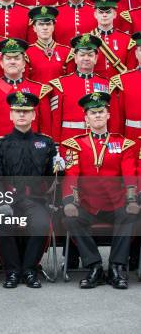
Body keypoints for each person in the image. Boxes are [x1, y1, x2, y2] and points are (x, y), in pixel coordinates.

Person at [61, 92, 138, 289]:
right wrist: (70, 201)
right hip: (88, 205)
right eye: (92, 113)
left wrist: (132, 201)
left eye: (101, 112)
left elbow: (130, 174)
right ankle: (94, 266)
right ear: (86, 118)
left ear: (108, 115)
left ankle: (116, 267)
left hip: (116, 203)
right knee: (70, 218)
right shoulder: (75, 144)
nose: (97, 116)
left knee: (130, 216)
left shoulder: (124, 144)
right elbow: (72, 175)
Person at [0, 91, 63, 289]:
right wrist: (0, 202)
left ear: (33, 115)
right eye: (17, 111)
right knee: (3, 223)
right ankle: (12, 271)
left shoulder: (46, 143)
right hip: (8, 200)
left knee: (40, 224)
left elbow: (52, 178)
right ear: (11, 115)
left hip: (36, 200)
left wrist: (59, 170)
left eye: (26, 111)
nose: (22, 115)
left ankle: (30, 270)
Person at [0, 38, 52, 141]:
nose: (12, 62)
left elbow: (46, 130)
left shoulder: (39, 90)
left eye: (16, 58)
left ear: (24, 63)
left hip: (32, 152)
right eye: (8, 58)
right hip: (0, 153)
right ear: (1, 63)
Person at [49, 33, 113, 143]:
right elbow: (55, 119)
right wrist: (57, 145)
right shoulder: (61, 84)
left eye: (90, 55)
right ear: (75, 58)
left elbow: (112, 118)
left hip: (100, 142)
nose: (86, 58)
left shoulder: (107, 84)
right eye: (82, 55)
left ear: (96, 58)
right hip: (70, 141)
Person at [89, 0, 135, 79]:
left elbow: (130, 72)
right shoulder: (88, 39)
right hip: (95, 88)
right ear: (95, 14)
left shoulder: (127, 40)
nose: (104, 15)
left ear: (115, 14)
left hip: (118, 88)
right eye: (101, 12)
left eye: (108, 12)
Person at [25, 6, 75, 85]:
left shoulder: (67, 52)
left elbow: (70, 83)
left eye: (48, 24)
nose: (45, 28)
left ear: (53, 27)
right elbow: (25, 83)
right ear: (34, 28)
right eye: (41, 24)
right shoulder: (26, 53)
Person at [109, 32, 141, 139]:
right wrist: (117, 140)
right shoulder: (123, 80)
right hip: (132, 137)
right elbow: (118, 117)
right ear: (136, 53)